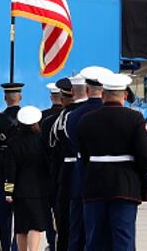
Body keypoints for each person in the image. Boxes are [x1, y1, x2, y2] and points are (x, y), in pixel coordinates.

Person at [78, 73, 147, 251]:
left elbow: (84, 155)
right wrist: (137, 174)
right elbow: (145, 156)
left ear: (103, 95)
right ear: (125, 96)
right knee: (123, 239)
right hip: (125, 186)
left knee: (95, 239)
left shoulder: (87, 120)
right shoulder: (134, 118)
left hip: (94, 184)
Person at [65, 67, 112, 251]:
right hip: (109, 176)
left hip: (81, 172)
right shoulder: (112, 113)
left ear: (86, 90)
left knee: (77, 227)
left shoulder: (73, 116)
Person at [5, 106, 51, 251]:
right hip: (39, 190)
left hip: (19, 190)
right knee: (35, 226)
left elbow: (10, 170)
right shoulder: (42, 141)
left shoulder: (13, 142)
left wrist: (8, 192)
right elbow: (48, 165)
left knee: (20, 227)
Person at [50, 75, 87, 251]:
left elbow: (54, 143)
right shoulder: (92, 111)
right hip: (90, 171)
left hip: (67, 170)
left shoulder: (65, 117)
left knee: (65, 222)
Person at [0, 83, 24, 251]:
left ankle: (5, 245)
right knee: (20, 211)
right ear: (20, 97)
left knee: (3, 212)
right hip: (22, 169)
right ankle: (18, 245)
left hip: (3, 168)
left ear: (5, 98)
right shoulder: (27, 117)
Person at [42, 78, 73, 251]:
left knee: (54, 213)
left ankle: (52, 242)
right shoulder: (75, 117)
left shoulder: (45, 119)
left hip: (54, 172)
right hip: (69, 172)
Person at [41, 82, 62, 250]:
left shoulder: (43, 118)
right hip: (64, 170)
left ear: (51, 98)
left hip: (47, 171)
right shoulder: (68, 116)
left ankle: (51, 241)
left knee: (48, 211)